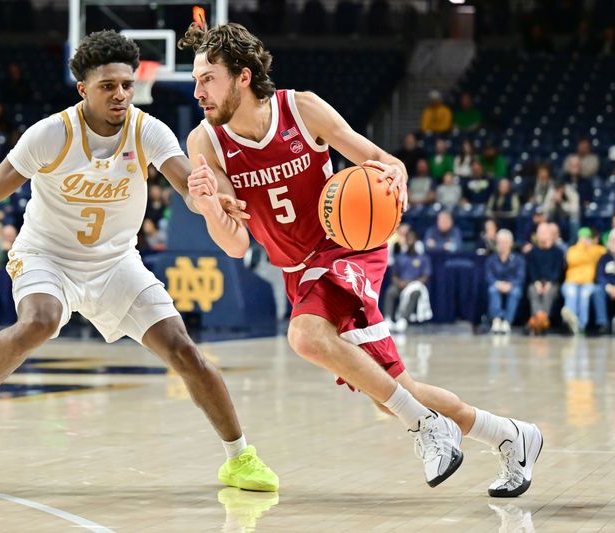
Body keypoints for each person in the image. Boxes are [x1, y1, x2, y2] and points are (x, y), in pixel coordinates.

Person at [181, 21, 542, 496]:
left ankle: (427, 427)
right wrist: (209, 207)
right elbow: (235, 245)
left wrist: (396, 179)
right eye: (194, 80)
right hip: (300, 272)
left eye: (208, 78)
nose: (198, 91)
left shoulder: (301, 108)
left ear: (243, 77)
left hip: (346, 247)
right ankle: (512, 436)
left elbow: (380, 159)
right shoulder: (206, 143)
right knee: (392, 392)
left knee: (305, 335)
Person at [0, 30, 277, 492]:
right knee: (40, 320)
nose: (121, 94)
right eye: (108, 85)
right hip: (45, 255)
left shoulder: (146, 129)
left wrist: (211, 199)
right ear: (83, 90)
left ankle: (239, 457)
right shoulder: (50, 134)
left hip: (115, 264)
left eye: (127, 84)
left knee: (183, 349)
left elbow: (186, 183)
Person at [561, 228, 608, 335]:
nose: (585, 240)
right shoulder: (573, 250)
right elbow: (572, 260)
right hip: (571, 282)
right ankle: (570, 321)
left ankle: (581, 325)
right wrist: (582, 247)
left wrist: (591, 246)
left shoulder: (596, 250)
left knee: (584, 296)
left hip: (588, 283)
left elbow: (607, 251)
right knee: (571, 294)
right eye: (583, 238)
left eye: (587, 238)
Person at [384, 229, 432, 333]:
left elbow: (425, 277)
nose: (410, 241)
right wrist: (399, 283)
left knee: (414, 292)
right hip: (401, 285)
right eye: (408, 239)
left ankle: (403, 320)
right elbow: (394, 275)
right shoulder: (399, 257)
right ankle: (387, 319)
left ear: (417, 241)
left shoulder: (423, 258)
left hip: (416, 285)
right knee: (391, 291)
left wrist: (411, 283)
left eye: (412, 239)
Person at [525, 223, 564, 335]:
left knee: (549, 292)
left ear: (550, 235)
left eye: (544, 232)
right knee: (532, 291)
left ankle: (537, 322)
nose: (542, 235)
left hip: (552, 283)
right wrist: (536, 282)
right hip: (536, 282)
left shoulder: (558, 252)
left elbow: (558, 270)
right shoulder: (532, 252)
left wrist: (550, 283)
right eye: (540, 233)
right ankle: (542, 321)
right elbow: (531, 270)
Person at [485, 229, 525, 335]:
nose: (501, 245)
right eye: (499, 242)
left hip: (512, 285)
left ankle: (507, 321)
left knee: (515, 292)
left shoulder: (518, 259)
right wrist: (497, 283)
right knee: (492, 289)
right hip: (497, 284)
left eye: (504, 242)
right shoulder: (491, 259)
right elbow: (488, 276)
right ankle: (496, 320)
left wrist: (510, 284)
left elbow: (520, 277)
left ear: (510, 244)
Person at [596, 232, 615, 332]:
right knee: (598, 291)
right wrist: (608, 287)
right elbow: (600, 276)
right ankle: (603, 323)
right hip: (607, 287)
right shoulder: (604, 258)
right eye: (612, 240)